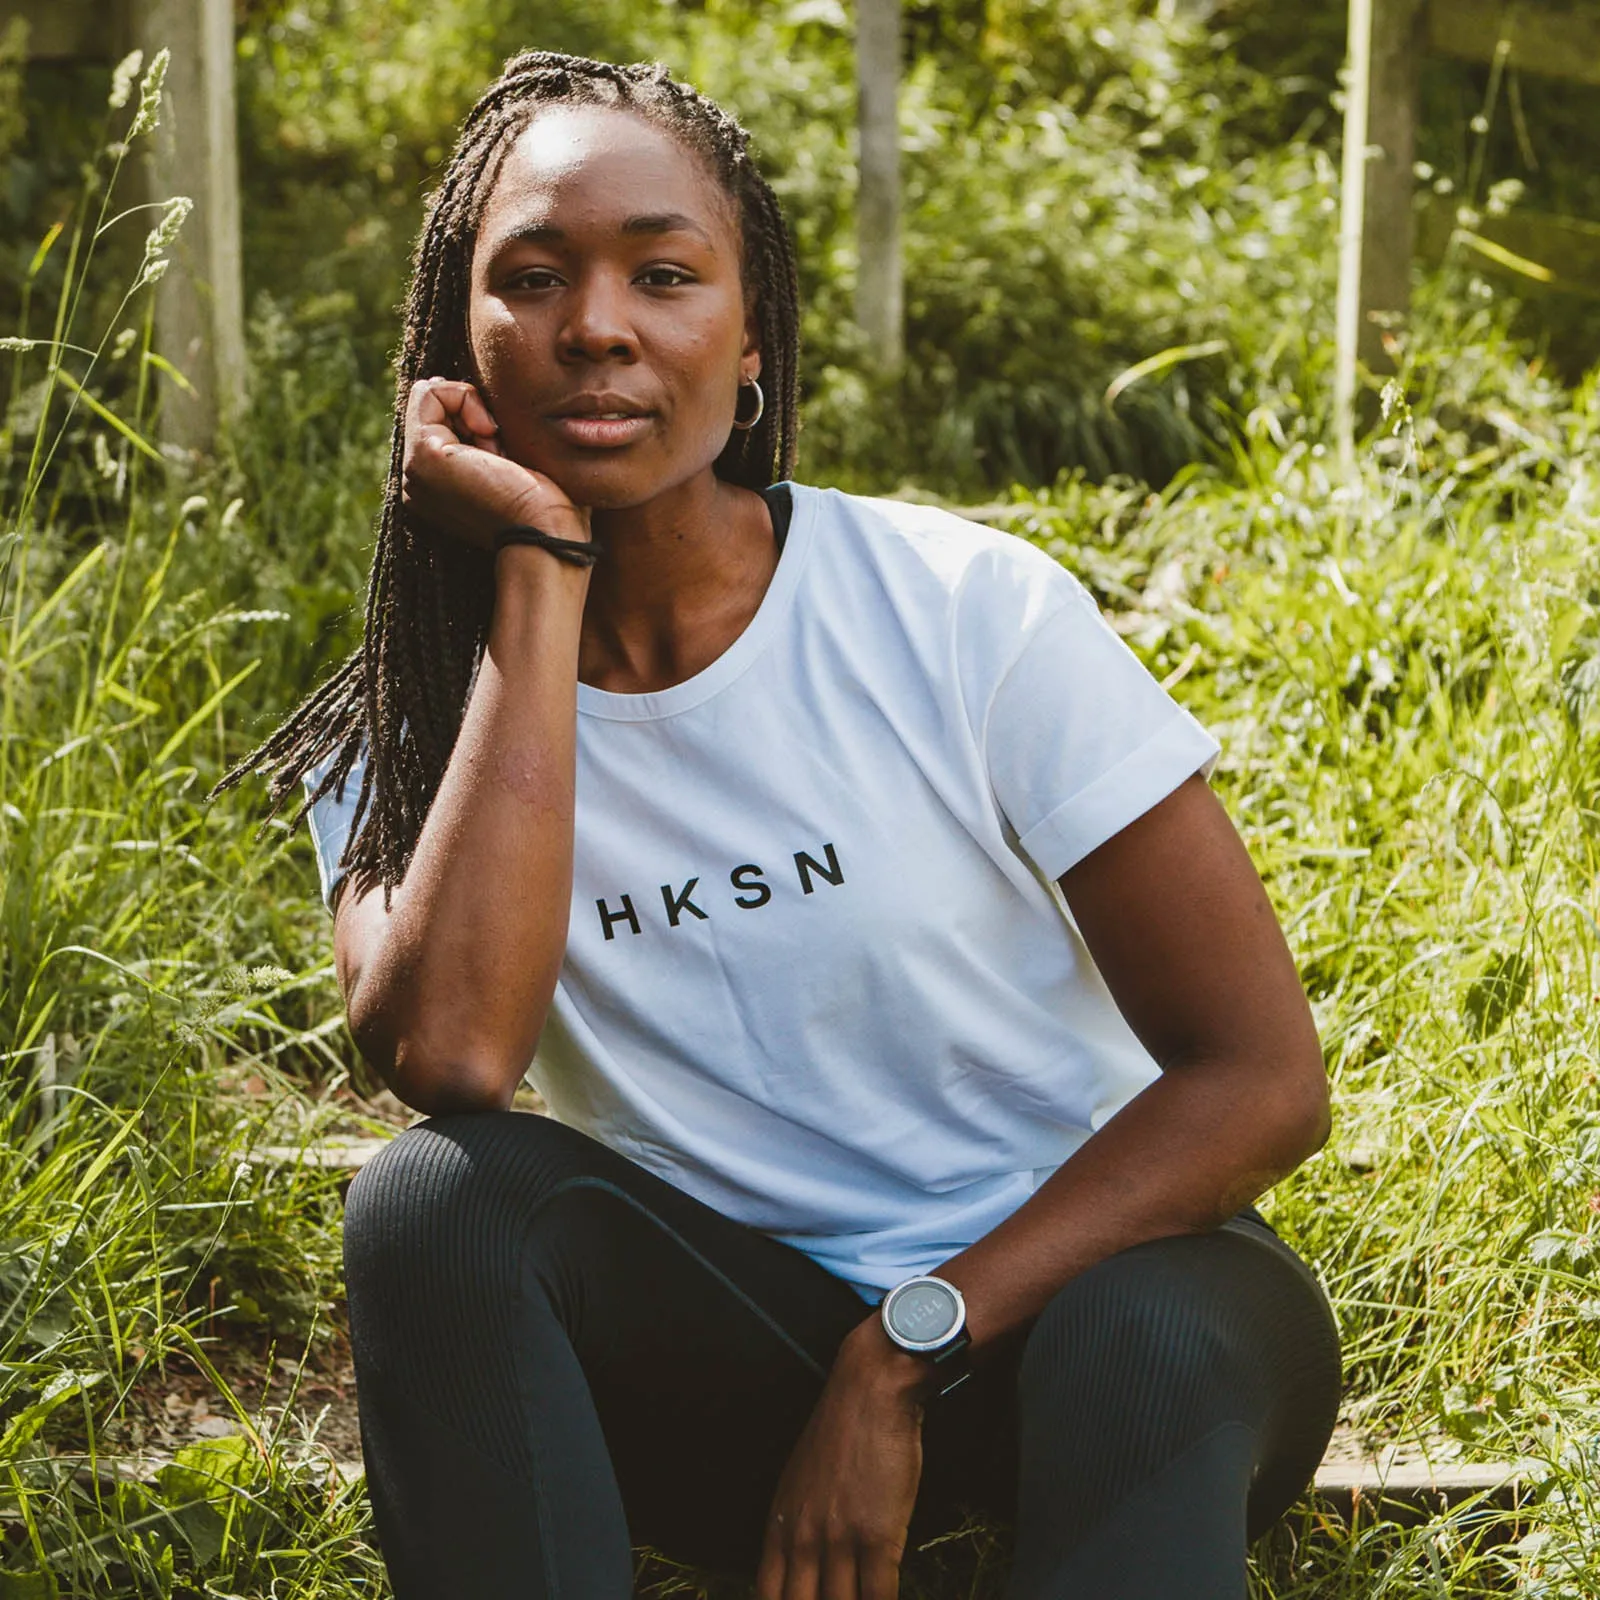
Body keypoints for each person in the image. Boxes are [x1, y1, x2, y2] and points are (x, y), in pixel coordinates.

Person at [216, 50, 1341, 1600]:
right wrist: (540, 579)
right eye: (533, 278)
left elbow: (1263, 1076)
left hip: (1114, 1320)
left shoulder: (960, 611)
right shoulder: (417, 724)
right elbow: (456, 1064)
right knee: (434, 1205)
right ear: (457, 347)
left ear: (749, 343)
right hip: (748, 1375)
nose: (597, 324)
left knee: (1140, 1341)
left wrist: (902, 1350)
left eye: (664, 275)